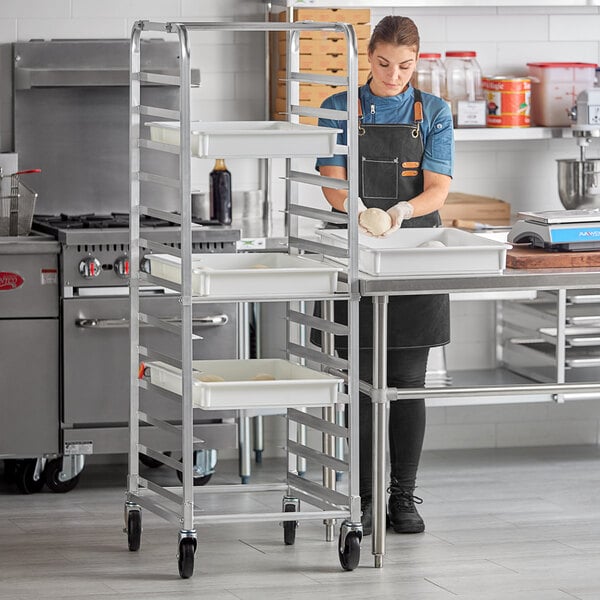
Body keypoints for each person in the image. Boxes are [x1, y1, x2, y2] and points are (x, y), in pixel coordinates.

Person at [315, 15, 454, 535]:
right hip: (355, 253)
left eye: (405, 66)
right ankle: (365, 495)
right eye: (383, 64)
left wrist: (397, 213)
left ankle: (402, 497)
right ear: (367, 57)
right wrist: (357, 211)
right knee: (363, 382)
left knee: (408, 384)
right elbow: (332, 182)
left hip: (414, 251)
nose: (394, 75)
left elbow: (438, 189)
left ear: (417, 61)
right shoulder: (337, 108)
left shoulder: (434, 112)